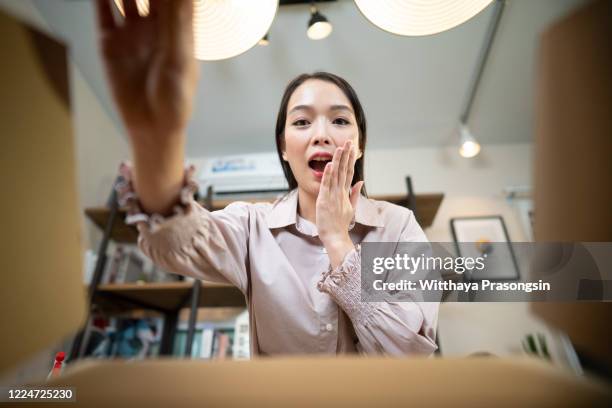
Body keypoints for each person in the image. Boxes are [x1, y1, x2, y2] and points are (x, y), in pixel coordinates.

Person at [95, 0, 438, 356]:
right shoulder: (251, 226)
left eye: (339, 120)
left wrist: (338, 241)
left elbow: (409, 354)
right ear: (284, 148)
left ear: (360, 144)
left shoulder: (400, 228)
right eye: (302, 122)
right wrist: (157, 136)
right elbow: (170, 244)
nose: (321, 135)